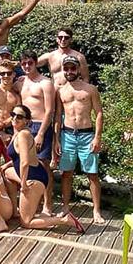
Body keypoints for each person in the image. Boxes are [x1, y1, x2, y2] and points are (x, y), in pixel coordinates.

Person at [3, 105, 84, 233]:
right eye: (13, 115)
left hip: (34, 178)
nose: (14, 118)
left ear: (27, 121)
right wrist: (6, 165)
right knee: (6, 173)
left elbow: (24, 162)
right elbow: (19, 159)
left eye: (19, 117)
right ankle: (15, 210)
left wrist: (23, 185)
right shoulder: (17, 134)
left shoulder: (23, 135)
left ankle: (64, 220)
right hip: (31, 172)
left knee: (27, 223)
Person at [54, 56, 105, 224]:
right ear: (63, 70)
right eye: (66, 68)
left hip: (86, 135)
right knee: (66, 173)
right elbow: (57, 117)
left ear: (78, 69)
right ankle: (65, 207)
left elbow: (98, 113)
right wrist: (57, 140)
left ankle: (96, 210)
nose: (69, 71)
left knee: (92, 174)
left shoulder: (90, 89)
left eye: (72, 68)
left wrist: (97, 137)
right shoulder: (60, 91)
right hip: (67, 134)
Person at [14, 50, 56, 214]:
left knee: (43, 165)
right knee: (26, 163)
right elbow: (6, 85)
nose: (26, 66)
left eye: (30, 63)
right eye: (23, 63)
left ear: (36, 62)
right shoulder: (21, 82)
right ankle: (32, 202)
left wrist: (41, 133)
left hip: (40, 125)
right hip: (24, 126)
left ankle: (48, 204)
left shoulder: (45, 83)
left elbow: (49, 110)